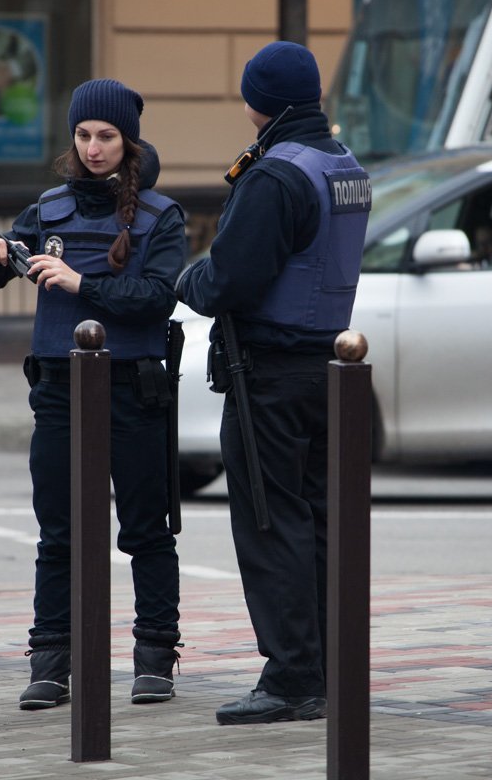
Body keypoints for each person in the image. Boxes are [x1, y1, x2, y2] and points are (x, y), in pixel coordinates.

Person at [0, 78, 187, 709]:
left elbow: (155, 298)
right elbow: (1, 266)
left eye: (107, 136)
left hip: (132, 390)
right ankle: (50, 663)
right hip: (59, 389)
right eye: (84, 135)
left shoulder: (160, 217)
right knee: (57, 533)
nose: (94, 148)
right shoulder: (48, 208)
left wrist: (79, 282)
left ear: (128, 142)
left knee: (145, 530)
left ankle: (155, 659)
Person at [176, 41, 371, 725]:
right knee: (317, 521)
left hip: (272, 372)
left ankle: (292, 678)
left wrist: (189, 278)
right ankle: (327, 668)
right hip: (330, 366)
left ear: (262, 101)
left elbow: (229, 277)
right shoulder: (343, 165)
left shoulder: (276, 176)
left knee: (272, 522)